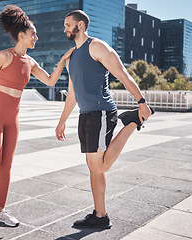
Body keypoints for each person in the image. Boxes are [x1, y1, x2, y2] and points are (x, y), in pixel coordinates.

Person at [0, 5, 74, 227]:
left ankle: (0, 211)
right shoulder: (4, 56)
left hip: (12, 117)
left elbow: (51, 81)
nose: (37, 38)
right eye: (33, 34)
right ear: (21, 35)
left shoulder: (30, 62)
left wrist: (63, 62)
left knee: (7, 165)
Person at [55, 10, 154, 229]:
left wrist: (141, 101)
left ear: (80, 25)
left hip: (101, 112)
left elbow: (123, 75)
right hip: (85, 115)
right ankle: (100, 216)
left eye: (68, 25)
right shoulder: (72, 57)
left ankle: (131, 123)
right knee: (93, 167)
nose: (65, 29)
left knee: (98, 166)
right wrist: (62, 120)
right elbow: (72, 93)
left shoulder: (97, 47)